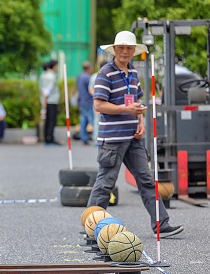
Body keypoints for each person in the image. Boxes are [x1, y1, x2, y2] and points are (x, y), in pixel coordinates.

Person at [87, 30, 183, 238]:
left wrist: (141, 122)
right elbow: (98, 105)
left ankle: (161, 224)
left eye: (128, 48)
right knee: (105, 183)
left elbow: (136, 102)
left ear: (133, 50)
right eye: (120, 47)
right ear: (114, 50)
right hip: (112, 139)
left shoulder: (132, 73)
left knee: (146, 179)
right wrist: (127, 110)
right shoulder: (105, 73)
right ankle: (91, 227)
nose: (124, 51)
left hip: (133, 137)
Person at [39, 60, 61, 145]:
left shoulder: (43, 75)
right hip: (51, 100)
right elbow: (48, 89)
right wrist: (45, 100)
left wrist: (43, 101)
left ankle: (46, 138)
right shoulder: (52, 76)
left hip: (46, 100)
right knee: (52, 120)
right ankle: (50, 138)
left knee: (47, 120)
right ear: (54, 66)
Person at [88, 61, 108, 144]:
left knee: (98, 120)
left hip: (99, 101)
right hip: (99, 102)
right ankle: (97, 138)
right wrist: (100, 96)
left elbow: (90, 89)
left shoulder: (94, 76)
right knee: (97, 120)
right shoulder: (96, 76)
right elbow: (91, 89)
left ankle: (99, 138)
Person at [77, 61, 94, 145]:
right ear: (89, 68)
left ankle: (84, 138)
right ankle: (96, 136)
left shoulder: (79, 76)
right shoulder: (88, 77)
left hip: (81, 101)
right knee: (92, 120)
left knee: (83, 120)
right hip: (89, 101)